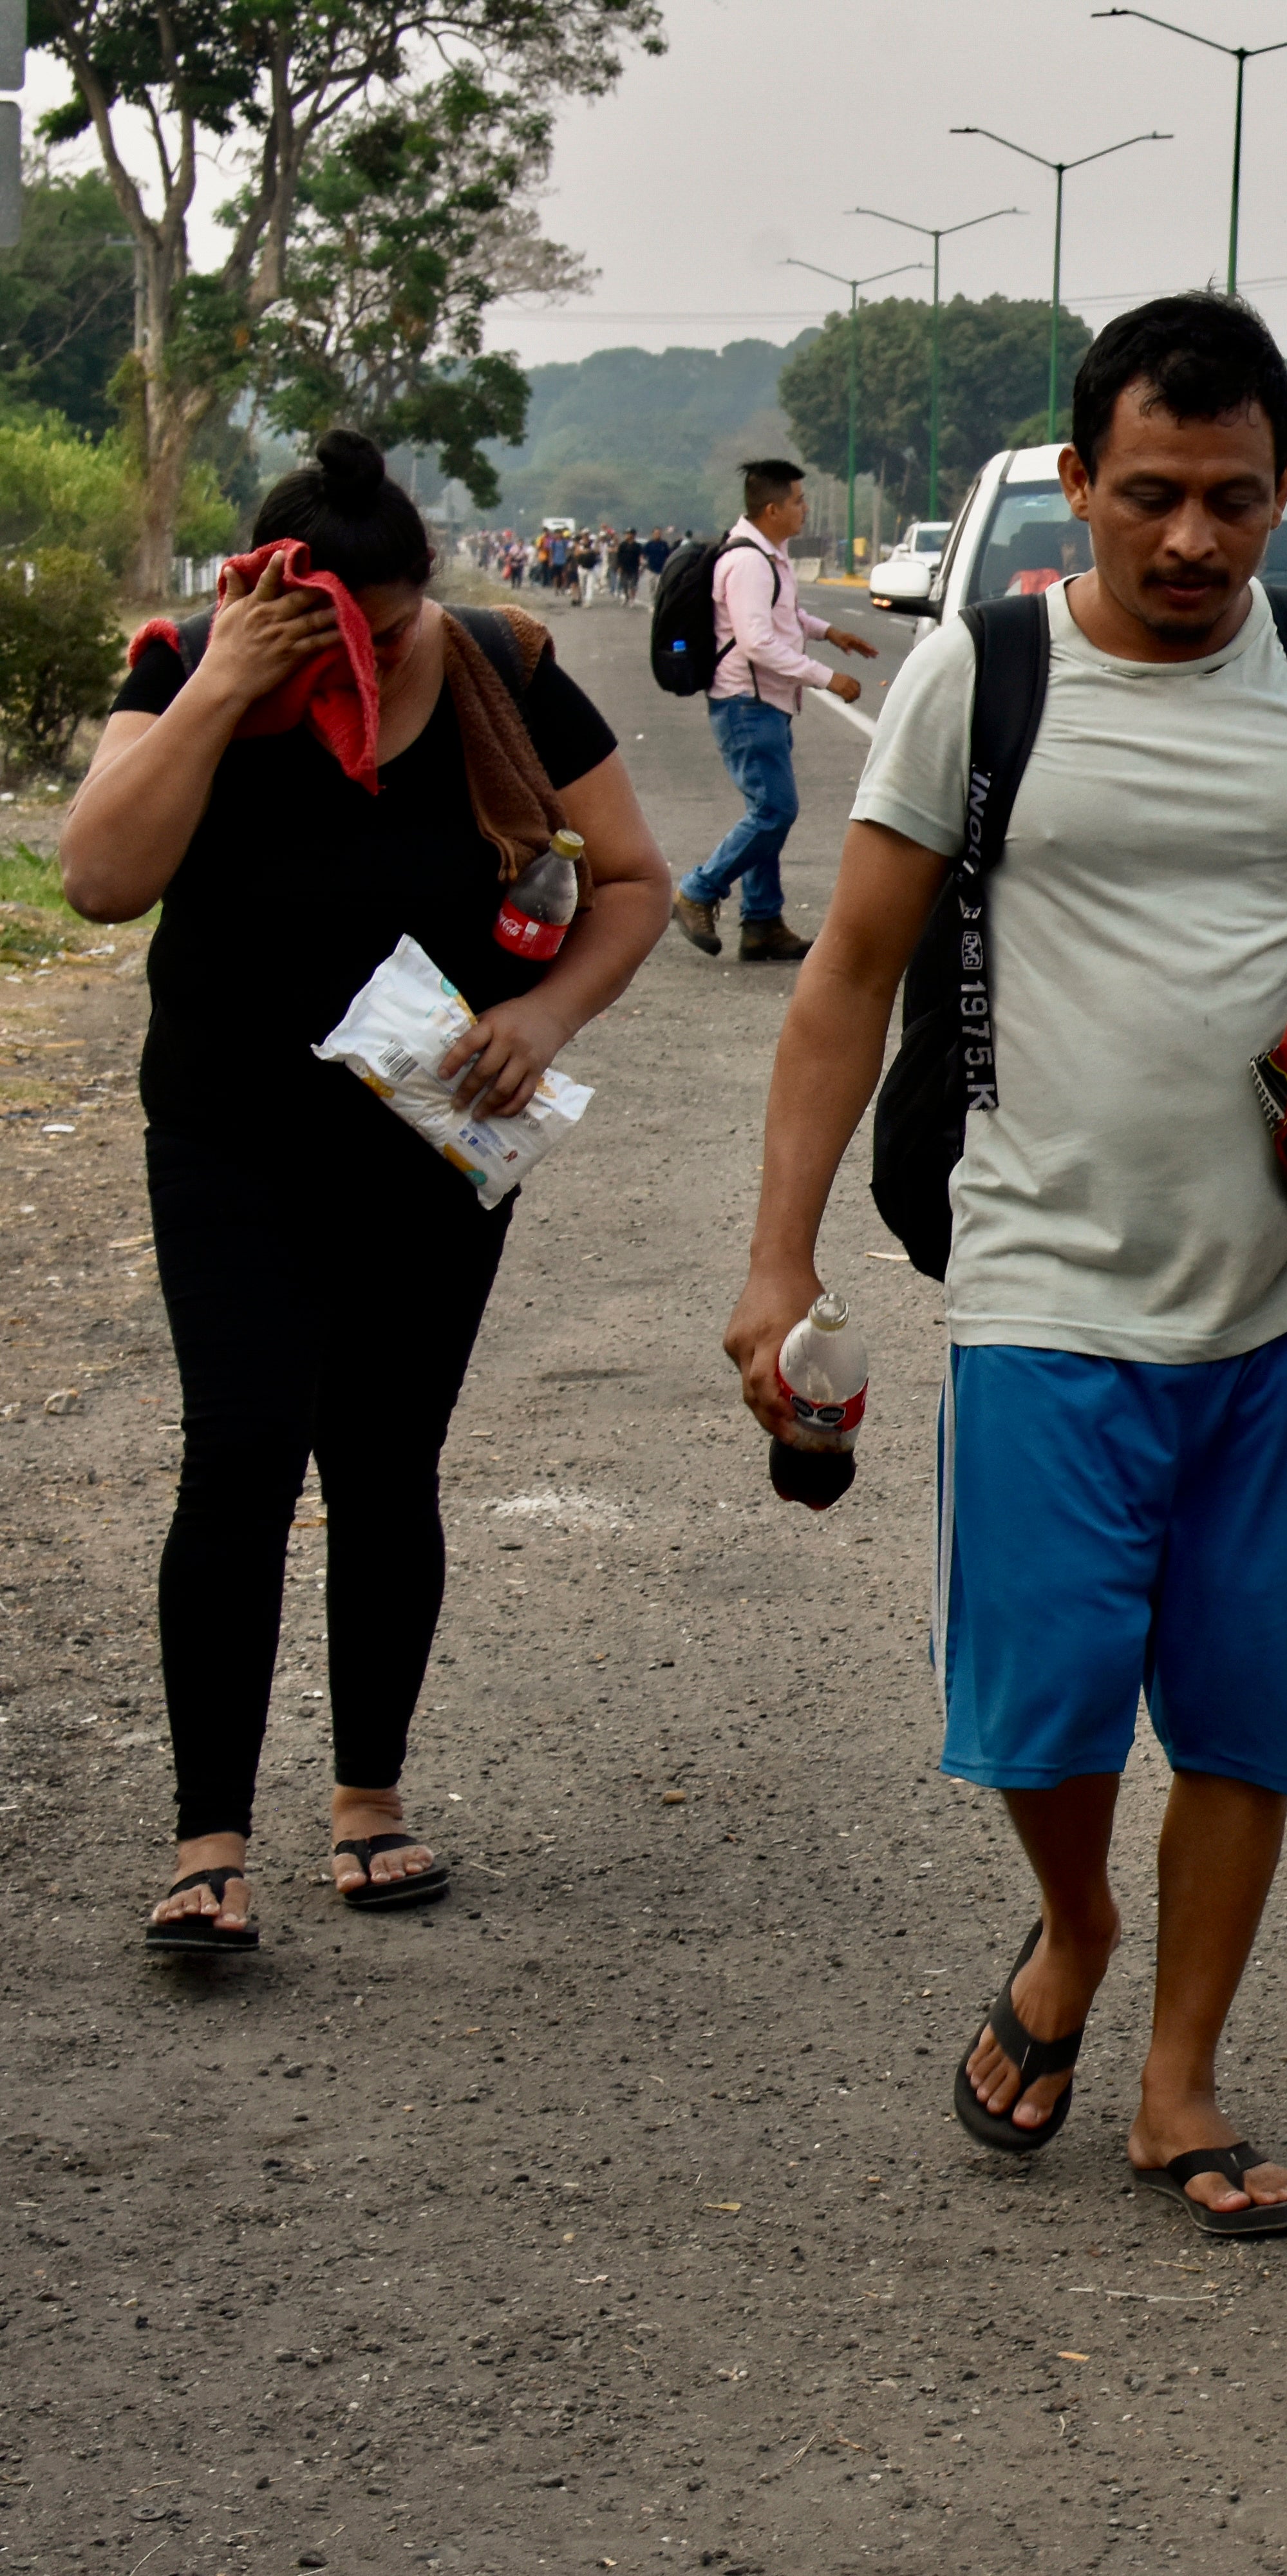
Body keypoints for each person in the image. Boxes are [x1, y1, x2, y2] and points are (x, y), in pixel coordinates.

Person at [718, 296, 1287, 2235]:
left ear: (1285, 493)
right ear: (1080, 486)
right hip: (1040, 1270)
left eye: (1237, 501)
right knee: (1043, 1702)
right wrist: (779, 1256)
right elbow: (846, 975)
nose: (1193, 541)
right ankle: (1075, 1927)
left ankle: (1178, 2079)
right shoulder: (982, 677)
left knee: (1248, 1708)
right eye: (1155, 497)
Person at [61, 429, 671, 1954]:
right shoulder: (185, 669)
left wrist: (542, 1017)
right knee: (245, 1448)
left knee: (388, 1458)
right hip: (228, 1134)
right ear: (266, 595)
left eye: (388, 624)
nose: (370, 652)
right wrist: (218, 687)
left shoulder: (493, 663)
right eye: (334, 623)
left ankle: (368, 1801)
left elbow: (635, 876)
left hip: (431, 1139)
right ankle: (210, 1842)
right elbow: (97, 877)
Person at [673, 460, 878, 964]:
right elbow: (758, 642)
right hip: (746, 704)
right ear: (772, 509)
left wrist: (830, 631)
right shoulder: (748, 562)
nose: (805, 509)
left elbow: (784, 616)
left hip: (765, 703)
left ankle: (762, 922)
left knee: (766, 811)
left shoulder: (769, 556)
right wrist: (829, 678)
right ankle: (699, 890)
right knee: (775, 811)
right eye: (799, 502)